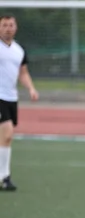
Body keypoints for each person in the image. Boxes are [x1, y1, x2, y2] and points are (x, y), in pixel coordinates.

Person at [0, 14, 39, 191]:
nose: (8, 28)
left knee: (6, 139)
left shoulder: (19, 51)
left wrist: (30, 88)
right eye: (4, 25)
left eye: (11, 25)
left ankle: (4, 177)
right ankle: (4, 177)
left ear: (16, 27)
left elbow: (23, 73)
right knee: (6, 134)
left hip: (11, 98)